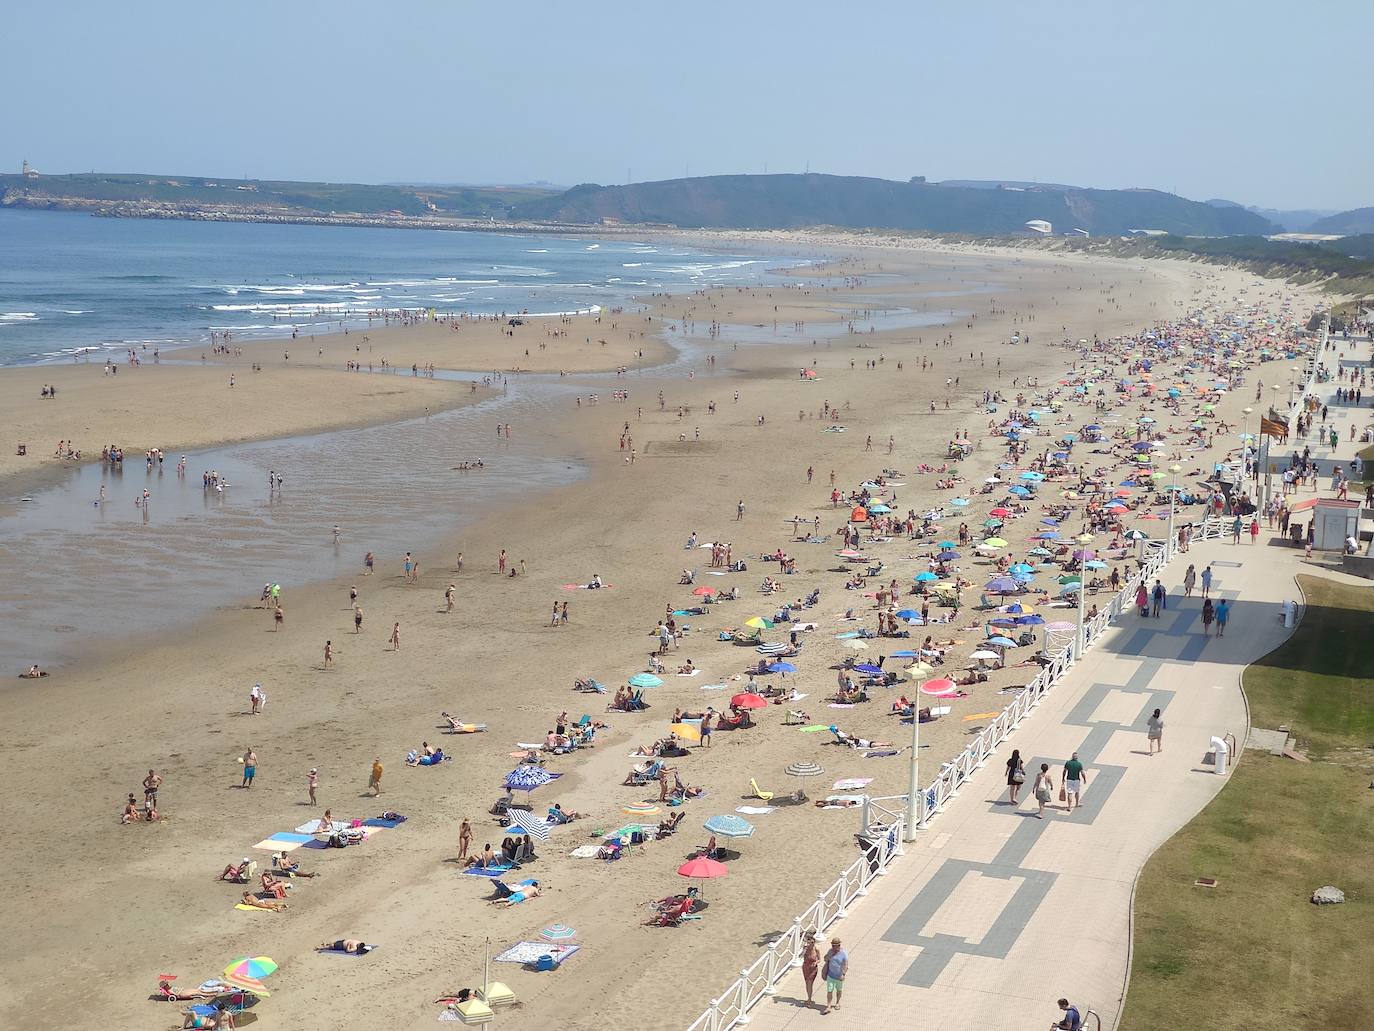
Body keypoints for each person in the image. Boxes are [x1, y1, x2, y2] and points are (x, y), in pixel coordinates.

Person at [822, 937, 848, 1014]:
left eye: (835, 946)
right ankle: (829, 1005)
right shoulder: (830, 951)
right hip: (830, 975)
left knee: (839, 990)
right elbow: (825, 959)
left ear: (839, 945)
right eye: (832, 945)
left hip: (839, 976)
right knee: (829, 991)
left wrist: (843, 974)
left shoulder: (843, 953)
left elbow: (846, 965)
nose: (833, 947)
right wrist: (829, 955)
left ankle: (837, 1002)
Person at [801, 930, 821, 1009]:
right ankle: (808, 997)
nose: (812, 944)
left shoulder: (816, 949)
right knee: (807, 984)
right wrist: (805, 950)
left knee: (810, 984)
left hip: (813, 969)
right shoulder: (805, 948)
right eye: (810, 942)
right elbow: (801, 956)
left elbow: (819, 959)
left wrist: (816, 962)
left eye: (813, 943)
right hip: (805, 967)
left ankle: (809, 1000)